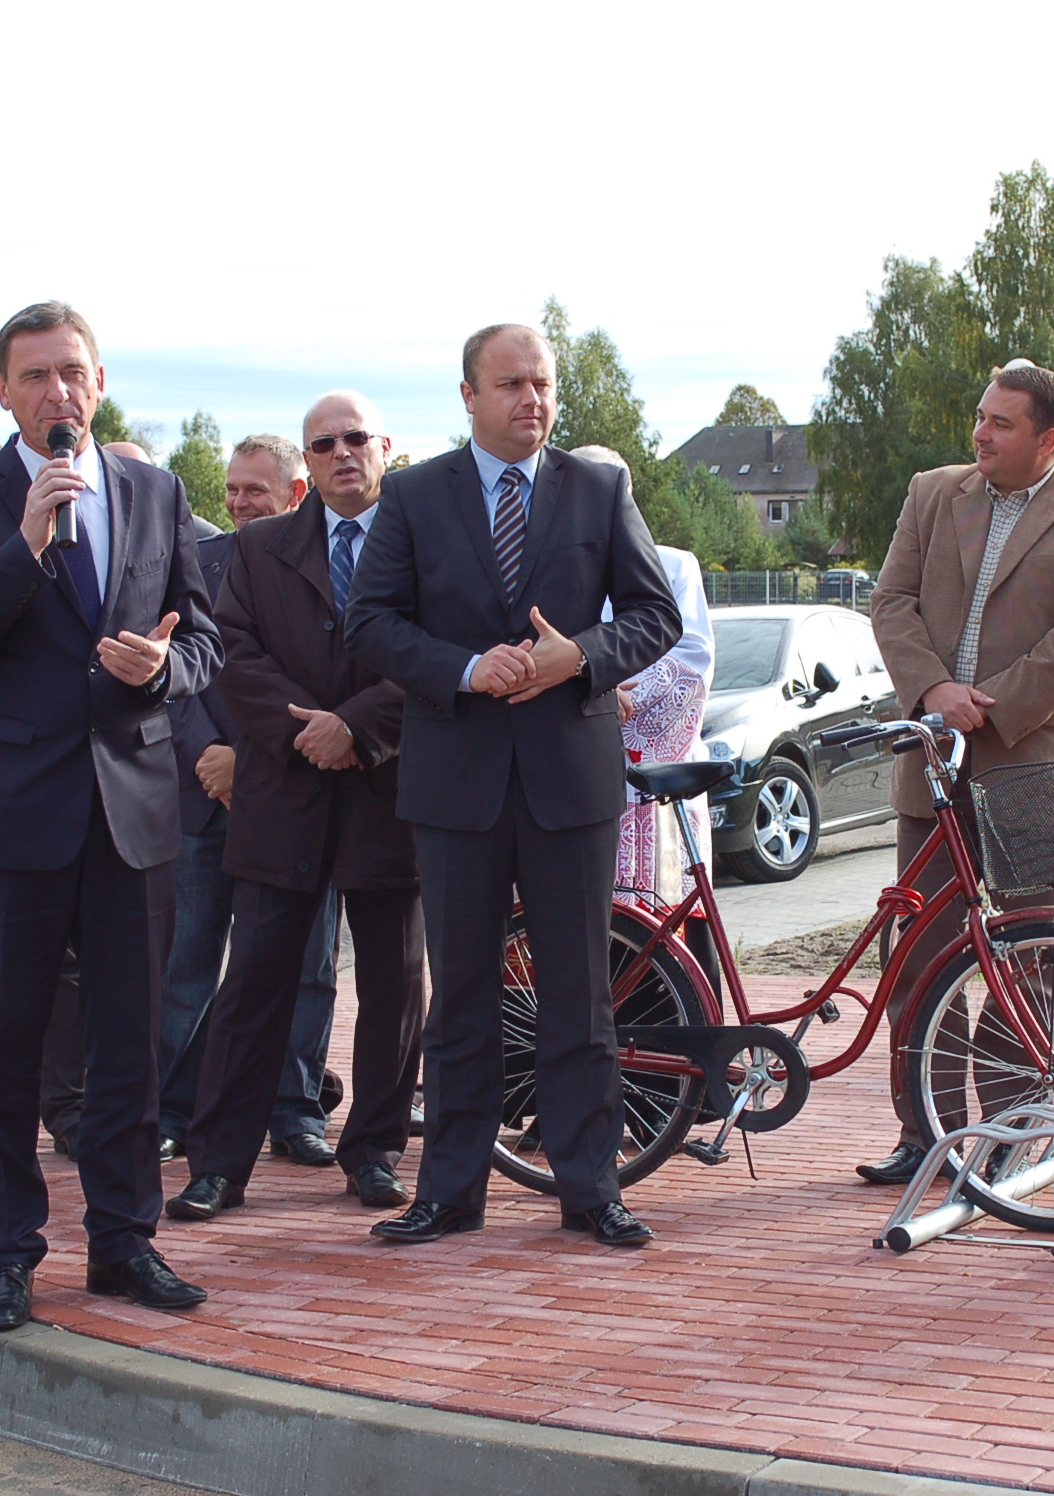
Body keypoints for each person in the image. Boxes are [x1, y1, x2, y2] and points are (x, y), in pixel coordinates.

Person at [0, 302, 221, 1329]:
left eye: (73, 372)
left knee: (132, 1043)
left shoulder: (155, 488)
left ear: (99, 382)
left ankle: (124, 1240)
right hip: (13, 816)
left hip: (133, 808)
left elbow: (206, 640)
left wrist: (165, 667)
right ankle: (7, 1251)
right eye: (35, 375)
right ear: (3, 390)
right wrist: (25, 541)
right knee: (6, 1042)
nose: (57, 392)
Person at [345, 323, 680, 1247]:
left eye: (543, 384)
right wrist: (460, 668)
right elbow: (368, 623)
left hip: (568, 778)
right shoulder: (413, 495)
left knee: (579, 993)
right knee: (458, 994)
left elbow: (655, 614)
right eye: (511, 385)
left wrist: (583, 656)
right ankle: (449, 1190)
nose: (532, 400)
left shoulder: (599, 487)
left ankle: (589, 1187)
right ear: (468, 395)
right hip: (456, 781)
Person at [861, 359, 1054, 1186]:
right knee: (923, 956)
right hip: (935, 768)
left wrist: (992, 704)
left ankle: (1016, 1136)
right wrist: (936, 692)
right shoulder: (931, 492)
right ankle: (927, 1134)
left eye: (1002, 423)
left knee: (1028, 956)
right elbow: (892, 603)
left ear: (1048, 438)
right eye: (980, 418)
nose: (980, 434)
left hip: (1036, 763)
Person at [173, 393, 427, 1221]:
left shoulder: (426, 539)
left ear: (384, 446)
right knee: (255, 984)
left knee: (392, 985)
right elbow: (233, 656)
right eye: (325, 444)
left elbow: (438, 655)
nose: (343, 453)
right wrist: (305, 734)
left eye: (357, 438)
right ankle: (218, 1165)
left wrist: (355, 727)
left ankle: (376, 1151)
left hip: (388, 793)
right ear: (306, 464)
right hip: (284, 793)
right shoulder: (257, 547)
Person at [158, 435, 344, 1169]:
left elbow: (326, 682)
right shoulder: (195, 563)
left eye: (254, 491)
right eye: (232, 489)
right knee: (188, 965)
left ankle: (294, 1111)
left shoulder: (329, 567)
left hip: (297, 793)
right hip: (202, 797)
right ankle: (175, 1109)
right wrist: (207, 753)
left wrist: (252, 759)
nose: (236, 503)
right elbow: (170, 662)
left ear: (296, 494)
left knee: (308, 965)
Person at [570, 447, 716, 906]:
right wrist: (596, 685)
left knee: (665, 938)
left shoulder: (673, 565)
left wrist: (617, 693)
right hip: (575, 772)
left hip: (655, 785)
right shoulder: (550, 568)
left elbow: (691, 660)